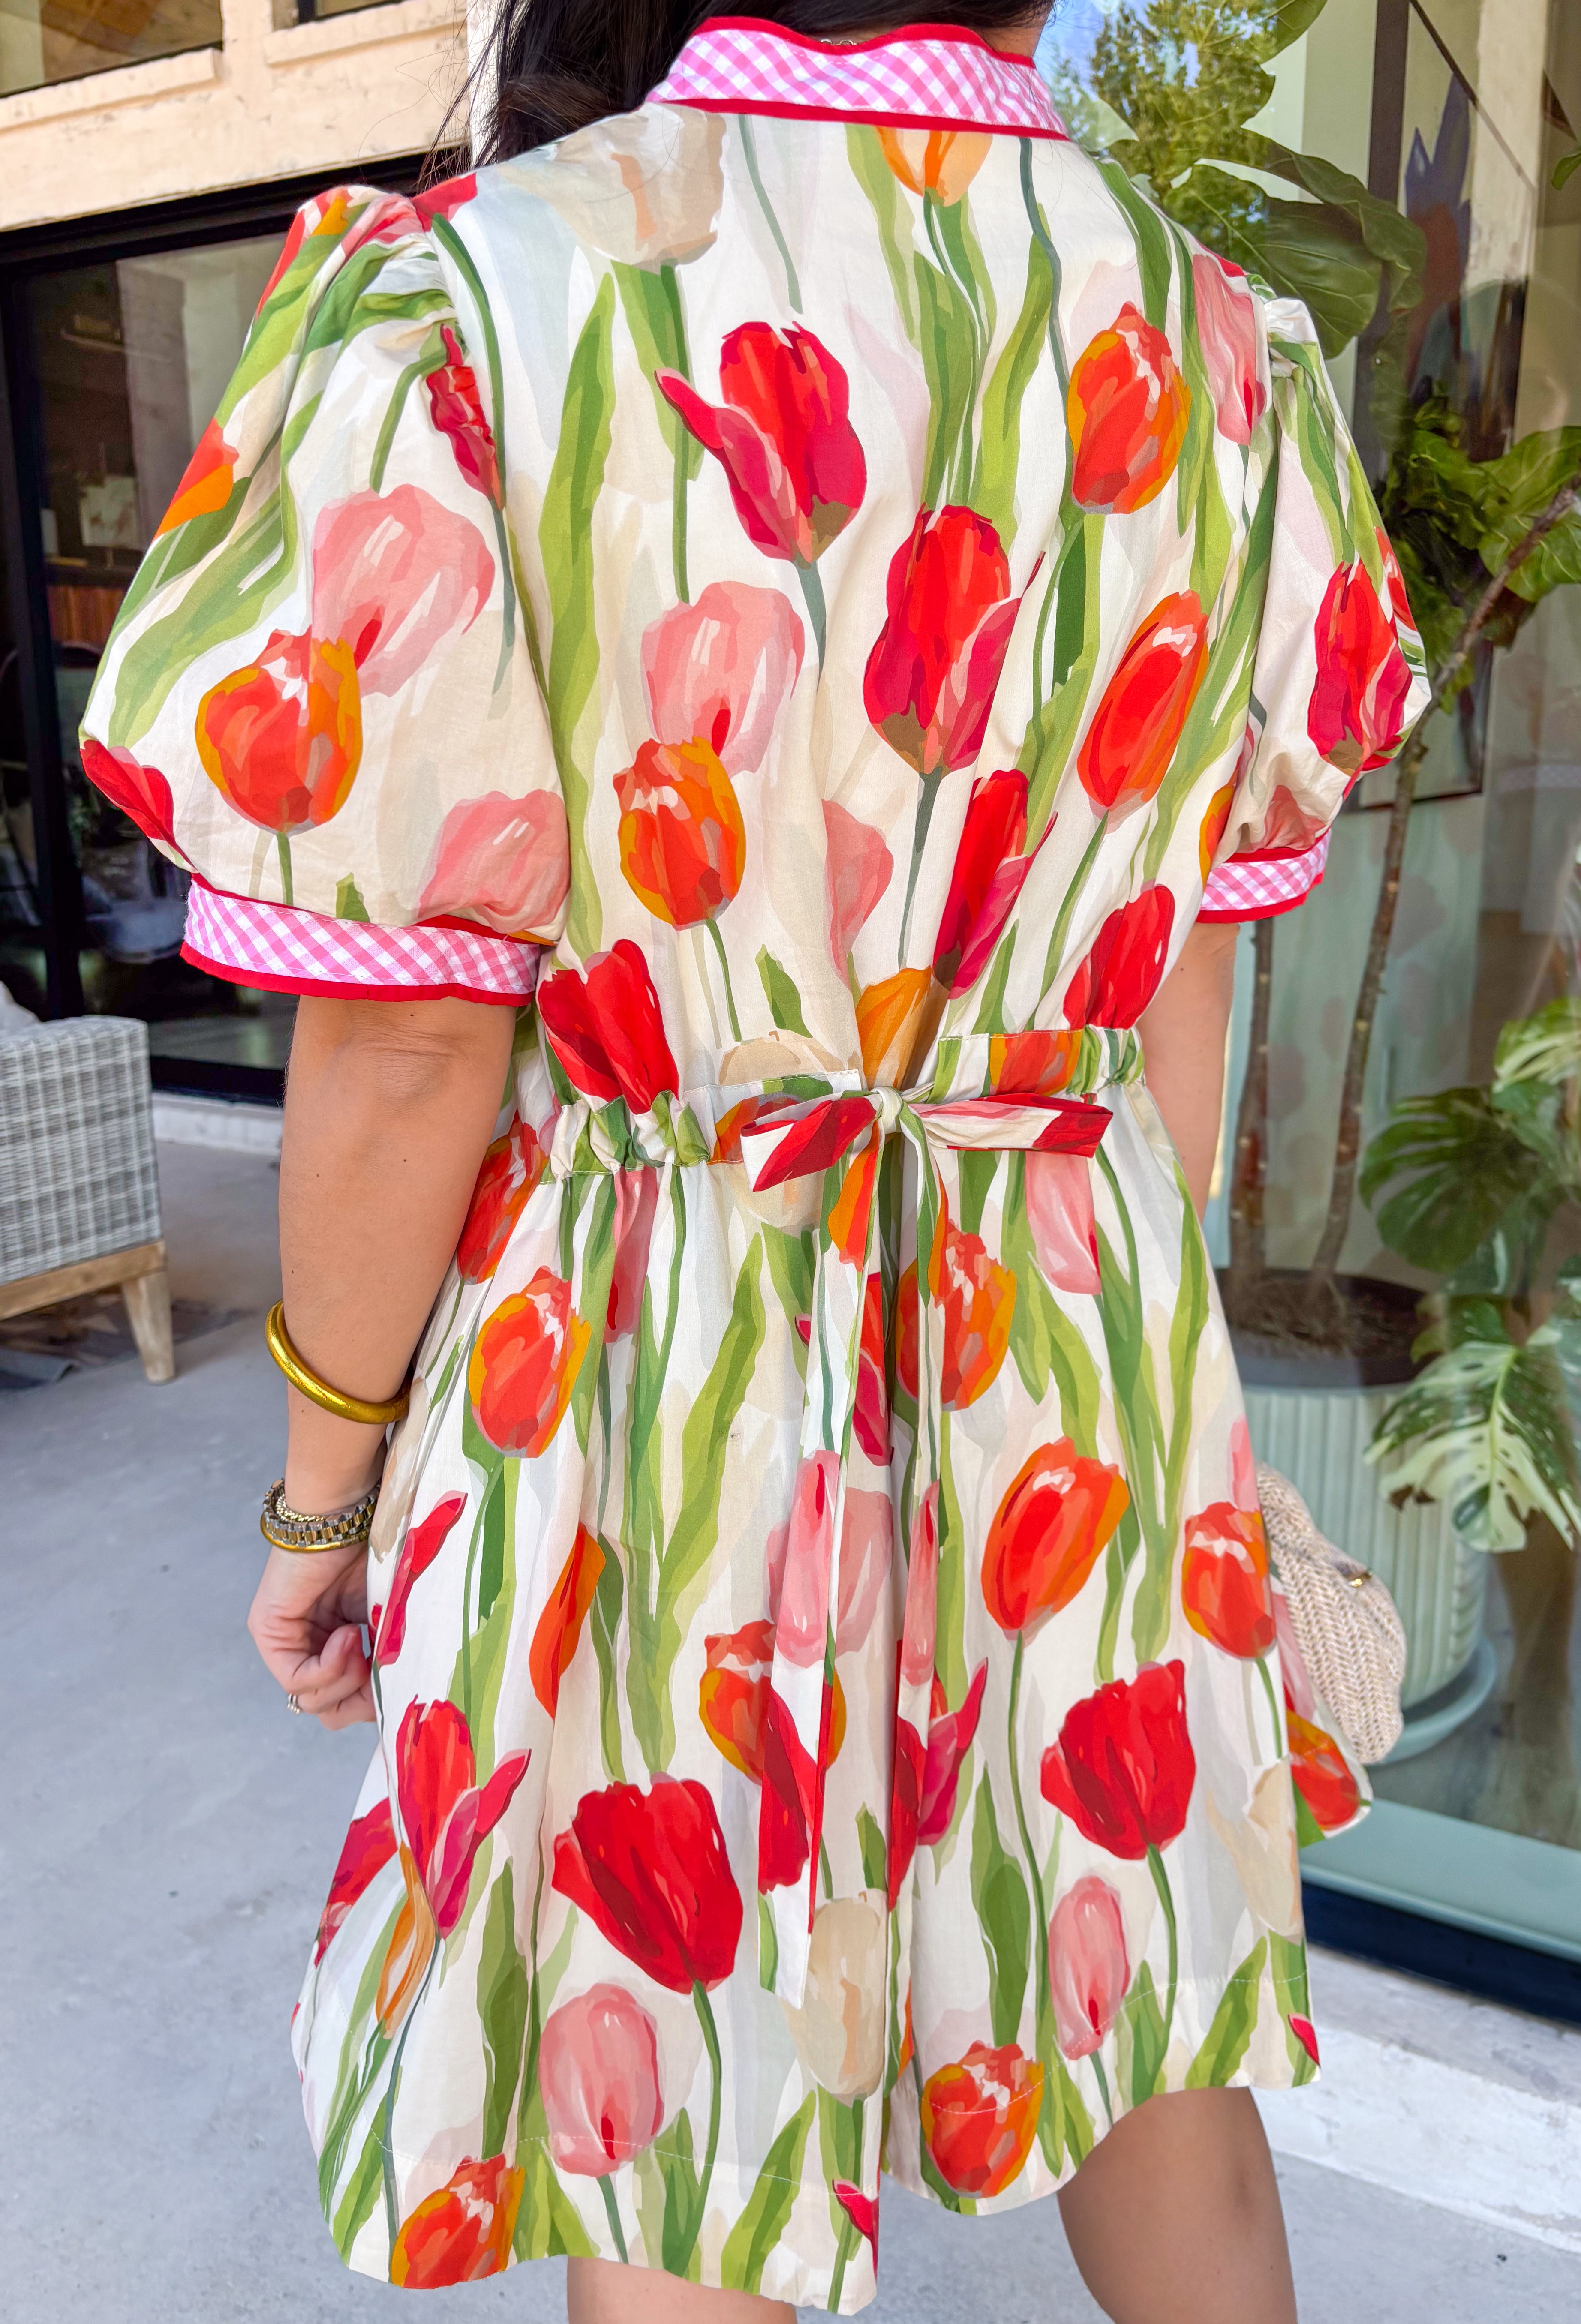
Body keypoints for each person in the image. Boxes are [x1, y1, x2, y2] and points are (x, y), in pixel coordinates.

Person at [81, 6, 1427, 2317]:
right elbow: (1184, 987)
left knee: (666, 2066)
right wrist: (1126, 1352)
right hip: (1066, 1317)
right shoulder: (1211, 335)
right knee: (1136, 2012)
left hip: (653, 1343)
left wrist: (324, 1491)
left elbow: (407, 1059)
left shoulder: (470, 299)